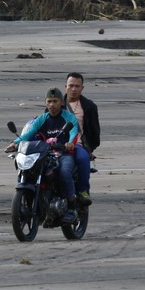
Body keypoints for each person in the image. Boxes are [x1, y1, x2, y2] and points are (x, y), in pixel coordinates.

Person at [6, 87, 80, 224]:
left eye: (55, 101)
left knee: (64, 172)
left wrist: (70, 143)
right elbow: (27, 135)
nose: (52, 105)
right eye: (49, 101)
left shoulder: (68, 118)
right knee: (30, 171)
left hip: (63, 154)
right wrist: (15, 143)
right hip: (45, 153)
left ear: (61, 103)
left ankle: (71, 207)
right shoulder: (42, 119)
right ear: (46, 103)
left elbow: (73, 131)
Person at [64, 72, 101, 204]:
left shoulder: (89, 106)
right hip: (57, 145)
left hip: (79, 145)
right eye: (71, 86)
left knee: (82, 159)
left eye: (77, 86)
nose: (73, 89)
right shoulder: (55, 103)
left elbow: (95, 131)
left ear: (82, 88)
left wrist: (89, 149)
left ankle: (83, 191)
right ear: (65, 87)